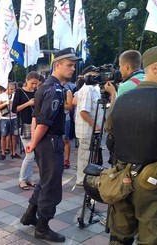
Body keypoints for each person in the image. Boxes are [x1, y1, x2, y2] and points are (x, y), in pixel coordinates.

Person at [21, 48, 82, 242]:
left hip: (44, 142)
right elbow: (44, 122)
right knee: (52, 187)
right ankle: (43, 227)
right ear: (57, 65)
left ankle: (30, 215)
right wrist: (33, 142)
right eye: (69, 65)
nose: (72, 68)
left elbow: (35, 117)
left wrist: (33, 142)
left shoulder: (45, 86)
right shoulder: (54, 89)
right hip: (51, 142)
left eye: (73, 65)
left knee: (45, 182)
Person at [104, 46, 157, 244]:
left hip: (122, 177)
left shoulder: (122, 98)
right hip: (151, 183)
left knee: (120, 235)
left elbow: (110, 137)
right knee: (150, 237)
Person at [74, 66, 105, 186]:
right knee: (85, 156)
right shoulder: (87, 90)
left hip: (93, 129)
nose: (96, 77)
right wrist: (95, 126)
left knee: (91, 154)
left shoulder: (95, 88)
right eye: (94, 75)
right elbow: (83, 112)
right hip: (87, 130)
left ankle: (88, 178)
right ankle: (82, 180)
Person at [12, 72, 39, 190]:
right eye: (32, 83)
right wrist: (28, 103)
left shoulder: (37, 92)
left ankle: (28, 178)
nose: (34, 85)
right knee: (30, 154)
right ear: (26, 80)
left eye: (36, 84)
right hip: (24, 125)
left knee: (33, 155)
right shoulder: (19, 92)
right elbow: (14, 109)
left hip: (36, 125)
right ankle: (22, 179)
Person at [0, 82, 20, 160]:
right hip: (4, 118)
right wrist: (6, 103)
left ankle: (13, 152)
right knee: (3, 135)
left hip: (14, 117)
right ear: (7, 88)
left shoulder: (15, 95)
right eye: (11, 89)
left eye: (13, 89)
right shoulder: (1, 96)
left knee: (14, 135)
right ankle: (3, 153)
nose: (12, 91)